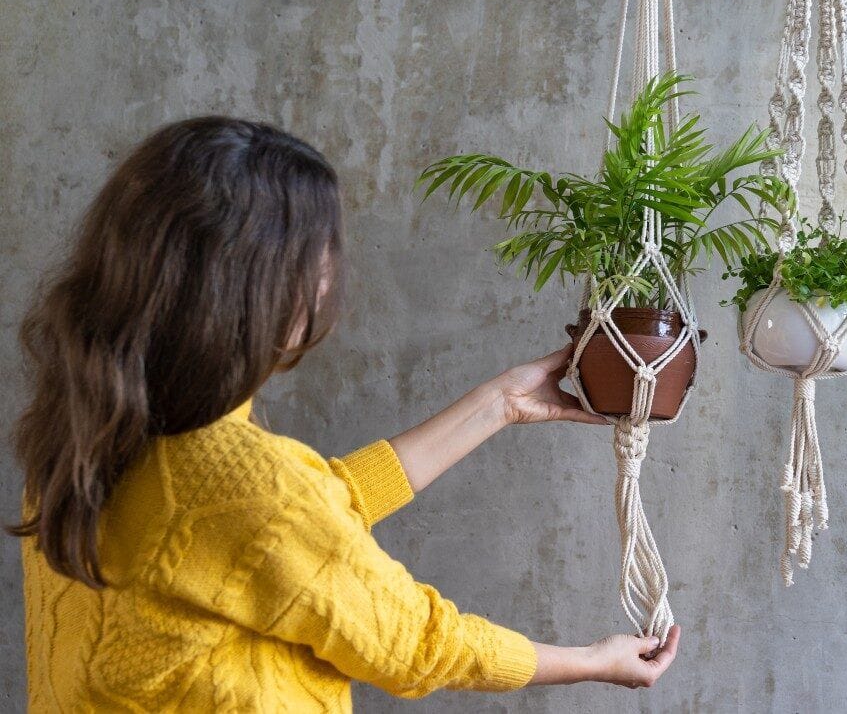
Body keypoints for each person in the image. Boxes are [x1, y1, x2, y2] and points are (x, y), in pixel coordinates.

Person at [9, 116, 679, 711]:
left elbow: (295, 520)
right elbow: (414, 642)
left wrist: (499, 403)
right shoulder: (239, 482)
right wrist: (593, 661)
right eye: (321, 255)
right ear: (263, 287)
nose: (332, 275)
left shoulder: (84, 438)